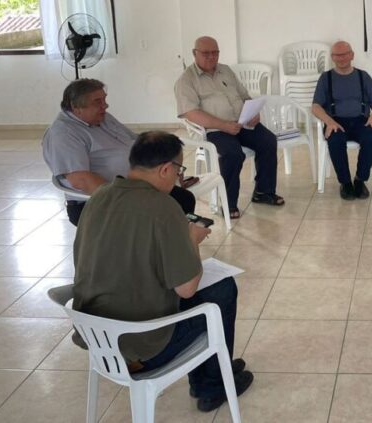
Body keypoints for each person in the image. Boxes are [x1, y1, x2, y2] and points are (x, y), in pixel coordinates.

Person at [72, 131, 253, 412]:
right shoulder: (163, 207)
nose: (179, 177)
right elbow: (187, 288)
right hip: (142, 347)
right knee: (222, 290)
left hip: (99, 339)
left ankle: (214, 370)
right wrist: (191, 239)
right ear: (166, 169)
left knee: (203, 291)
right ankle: (211, 385)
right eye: (179, 169)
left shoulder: (98, 197)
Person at [43, 78, 195, 226]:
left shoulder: (102, 118)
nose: (105, 106)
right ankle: (160, 248)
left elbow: (137, 143)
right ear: (76, 107)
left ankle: (177, 246)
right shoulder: (63, 134)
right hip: (101, 202)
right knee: (166, 210)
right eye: (98, 102)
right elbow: (81, 180)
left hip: (136, 187)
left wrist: (170, 167)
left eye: (104, 99)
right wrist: (130, 199)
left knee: (184, 199)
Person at [175, 36, 283, 219]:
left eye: (215, 52)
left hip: (242, 122)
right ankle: (228, 202)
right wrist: (223, 125)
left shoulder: (225, 70)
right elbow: (191, 113)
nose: (211, 57)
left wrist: (253, 113)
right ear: (195, 53)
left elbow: (244, 95)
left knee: (268, 141)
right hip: (214, 129)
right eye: (206, 53)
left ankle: (263, 192)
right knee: (233, 154)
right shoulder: (186, 81)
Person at [311, 40, 372, 200]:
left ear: (352, 55)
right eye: (337, 55)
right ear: (332, 57)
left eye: (345, 54)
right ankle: (345, 183)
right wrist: (328, 121)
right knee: (335, 141)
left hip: (361, 121)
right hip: (336, 121)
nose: (342, 58)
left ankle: (360, 180)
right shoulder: (325, 78)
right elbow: (316, 106)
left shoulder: (363, 76)